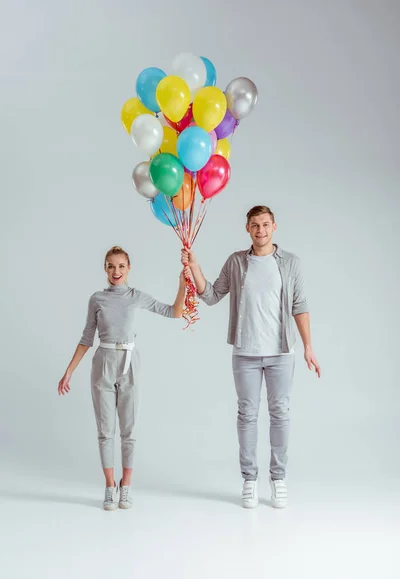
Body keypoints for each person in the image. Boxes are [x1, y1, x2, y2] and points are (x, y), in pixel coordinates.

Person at [181, 206, 320, 509]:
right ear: (247, 228)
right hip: (245, 352)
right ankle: (249, 479)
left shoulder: (291, 264)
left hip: (282, 352)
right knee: (247, 414)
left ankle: (278, 478)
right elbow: (212, 295)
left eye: (266, 225)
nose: (260, 230)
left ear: (274, 227)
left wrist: (308, 347)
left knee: (280, 413)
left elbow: (300, 306)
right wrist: (194, 267)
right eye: (255, 225)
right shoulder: (236, 262)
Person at [58, 245, 186, 511]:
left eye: (121, 266)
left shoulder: (135, 296)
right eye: (110, 266)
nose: (116, 271)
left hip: (129, 364)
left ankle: (126, 485)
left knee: (128, 430)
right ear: (105, 268)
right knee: (106, 431)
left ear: (129, 269)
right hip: (103, 362)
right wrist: (69, 371)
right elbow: (86, 338)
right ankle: (109, 486)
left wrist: (182, 284)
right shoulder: (97, 299)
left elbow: (174, 312)